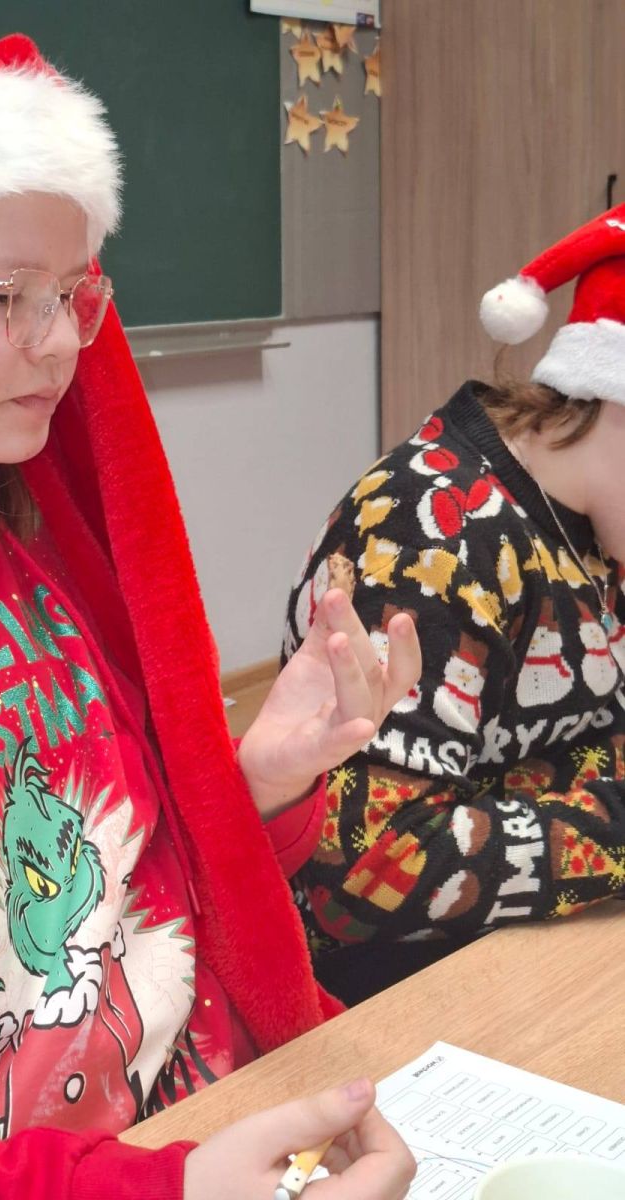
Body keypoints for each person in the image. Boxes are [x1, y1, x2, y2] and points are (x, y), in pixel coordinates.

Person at [0, 14, 419, 1199]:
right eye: (7, 296)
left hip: (222, 1123)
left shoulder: (28, 531)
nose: (60, 344)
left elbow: (137, 902)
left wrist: (256, 790)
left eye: (74, 295)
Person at [283, 205, 625, 1005]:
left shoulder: (595, 511)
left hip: (537, 938)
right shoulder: (431, 534)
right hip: (403, 988)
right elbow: (371, 866)